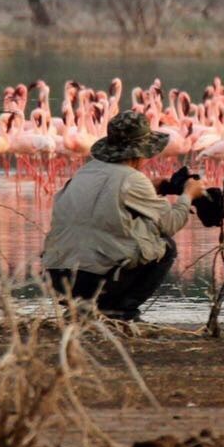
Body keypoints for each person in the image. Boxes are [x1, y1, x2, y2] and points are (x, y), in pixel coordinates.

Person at [41, 110, 206, 321]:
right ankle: (122, 312)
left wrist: (153, 189)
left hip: (59, 275)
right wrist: (188, 195)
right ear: (139, 152)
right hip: (91, 278)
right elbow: (170, 223)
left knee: (124, 236)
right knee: (165, 246)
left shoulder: (86, 171)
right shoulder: (133, 180)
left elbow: (100, 204)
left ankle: (85, 309)